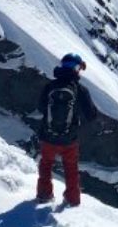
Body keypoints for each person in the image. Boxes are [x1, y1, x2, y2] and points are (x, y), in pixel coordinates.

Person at [36, 53, 98, 206]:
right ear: (77, 68)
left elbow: (40, 107)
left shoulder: (50, 86)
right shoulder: (80, 89)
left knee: (46, 164)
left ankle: (44, 194)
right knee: (70, 168)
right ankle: (72, 199)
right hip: (69, 139)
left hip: (48, 136)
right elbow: (91, 114)